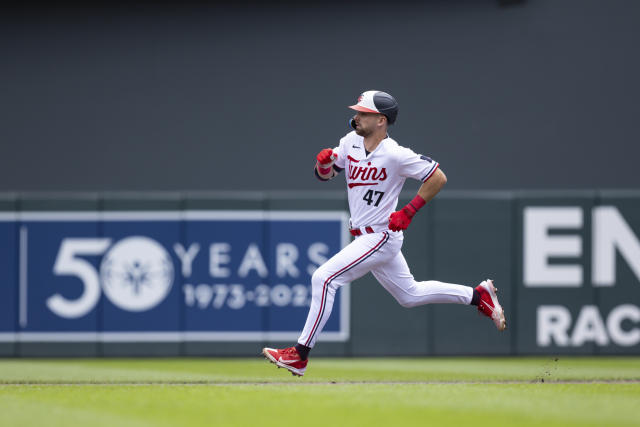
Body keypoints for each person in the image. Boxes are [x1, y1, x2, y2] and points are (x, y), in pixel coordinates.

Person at [262, 90, 506, 377]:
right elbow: (326, 175)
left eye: (363, 113)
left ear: (380, 120)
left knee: (324, 278)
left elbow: (437, 176)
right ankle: (478, 296)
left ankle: (300, 355)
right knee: (409, 295)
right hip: (364, 235)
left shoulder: (395, 154)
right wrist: (323, 164)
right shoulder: (350, 142)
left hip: (380, 235)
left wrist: (410, 210)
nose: (356, 116)